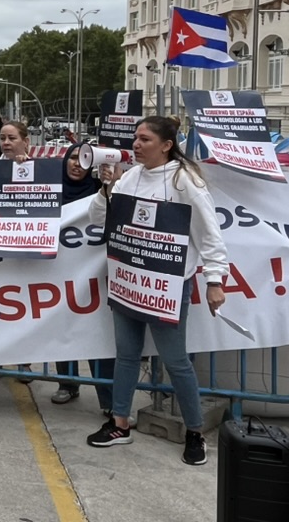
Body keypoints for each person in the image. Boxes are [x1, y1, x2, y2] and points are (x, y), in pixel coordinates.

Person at [86, 116, 227, 466]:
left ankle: (194, 431)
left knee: (176, 361)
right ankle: (120, 422)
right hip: (128, 281)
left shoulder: (185, 181)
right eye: (135, 137)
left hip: (167, 286)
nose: (136, 144)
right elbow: (98, 219)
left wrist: (215, 280)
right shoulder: (130, 177)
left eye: (145, 139)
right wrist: (107, 189)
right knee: (126, 355)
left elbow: (209, 235)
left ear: (166, 145)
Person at [51, 143, 115, 411]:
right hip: (59, 276)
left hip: (95, 276)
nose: (77, 164)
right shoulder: (51, 191)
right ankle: (67, 383)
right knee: (64, 330)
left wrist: (110, 186)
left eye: (84, 159)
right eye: (73, 158)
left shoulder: (100, 191)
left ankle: (109, 400)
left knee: (98, 335)